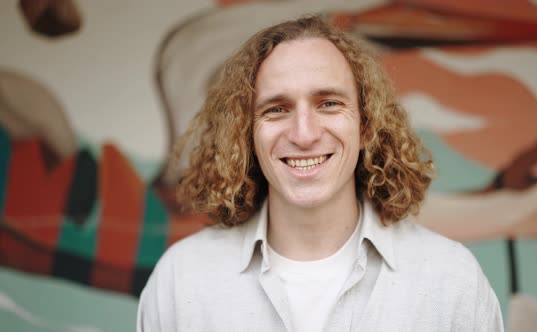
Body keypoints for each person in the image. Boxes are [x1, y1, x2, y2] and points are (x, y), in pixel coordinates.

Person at [137, 16, 503, 331]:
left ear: (365, 126)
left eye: (329, 103)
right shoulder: (181, 280)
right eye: (276, 109)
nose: (304, 134)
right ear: (246, 135)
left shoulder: (450, 280)